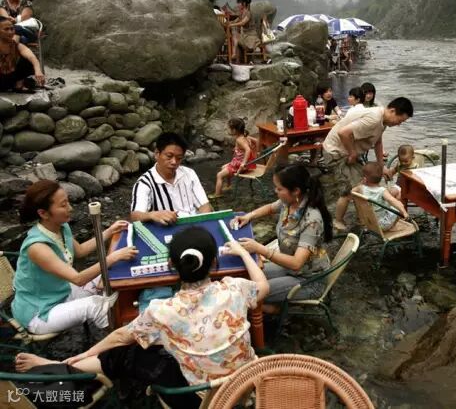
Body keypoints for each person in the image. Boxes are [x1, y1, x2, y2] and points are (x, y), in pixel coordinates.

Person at [15, 226, 269, 409]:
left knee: (127, 352)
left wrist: (86, 353)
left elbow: (119, 337)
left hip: (200, 400)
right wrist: (243, 253)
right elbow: (263, 285)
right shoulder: (235, 288)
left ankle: (62, 366)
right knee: (150, 343)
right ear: (214, 262)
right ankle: (63, 368)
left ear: (171, 265)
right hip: (246, 389)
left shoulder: (162, 311)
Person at [11, 180, 138, 335]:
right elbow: (78, 279)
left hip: (61, 292)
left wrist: (109, 231)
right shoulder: (37, 247)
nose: (70, 208)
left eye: (68, 202)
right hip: (40, 312)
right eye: (63, 205)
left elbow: (81, 251)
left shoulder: (61, 227)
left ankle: (127, 321)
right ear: (43, 213)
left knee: (113, 276)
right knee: (96, 305)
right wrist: (111, 258)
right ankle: (121, 341)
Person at [230, 164, 333, 308]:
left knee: (253, 291)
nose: (275, 191)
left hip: (309, 279)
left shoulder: (312, 220)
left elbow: (296, 263)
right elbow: (270, 208)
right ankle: (268, 307)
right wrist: (249, 216)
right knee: (246, 275)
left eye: (279, 189)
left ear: (296, 191)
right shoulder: (289, 202)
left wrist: (259, 249)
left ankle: (274, 310)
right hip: (289, 268)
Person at [322, 97, 414, 231]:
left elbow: (378, 142)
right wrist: (352, 153)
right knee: (349, 190)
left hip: (347, 151)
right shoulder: (374, 119)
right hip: (336, 151)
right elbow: (343, 133)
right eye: (400, 121)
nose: (399, 124)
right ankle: (338, 221)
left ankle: (363, 219)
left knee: (362, 186)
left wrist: (382, 166)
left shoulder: (382, 121)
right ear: (393, 111)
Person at [130, 132, 212, 225]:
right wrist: (152, 215)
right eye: (169, 156)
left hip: (195, 225)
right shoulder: (144, 183)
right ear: (157, 154)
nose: (174, 162)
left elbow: (204, 205)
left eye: (179, 158)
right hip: (166, 229)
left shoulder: (189, 174)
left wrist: (202, 223)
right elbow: (135, 216)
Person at [354, 162, 408, 231]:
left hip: (368, 221)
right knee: (397, 206)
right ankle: (392, 227)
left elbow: (352, 193)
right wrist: (404, 212)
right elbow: (392, 200)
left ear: (364, 179)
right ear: (381, 178)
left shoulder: (360, 188)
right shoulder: (382, 191)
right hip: (382, 225)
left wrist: (361, 184)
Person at [212, 118, 256, 198]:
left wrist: (243, 163)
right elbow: (256, 141)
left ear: (234, 130)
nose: (228, 130)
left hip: (241, 166)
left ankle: (217, 194)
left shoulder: (239, 140)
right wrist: (256, 151)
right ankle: (228, 185)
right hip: (246, 164)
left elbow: (248, 150)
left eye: (229, 128)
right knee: (223, 167)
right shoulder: (245, 136)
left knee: (219, 175)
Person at [0, 16, 43, 91]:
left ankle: (18, 85)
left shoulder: (17, 46)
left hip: (10, 80)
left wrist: (38, 71)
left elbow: (32, 58)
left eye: (12, 29)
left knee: (28, 61)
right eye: (6, 29)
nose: (10, 32)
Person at [226, 0, 260, 64]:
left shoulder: (248, 13)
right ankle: (237, 59)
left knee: (237, 38)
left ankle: (235, 55)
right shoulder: (241, 13)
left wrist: (232, 25)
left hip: (251, 35)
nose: (237, 5)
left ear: (243, 4)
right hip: (244, 35)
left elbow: (243, 23)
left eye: (239, 3)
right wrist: (228, 23)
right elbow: (236, 20)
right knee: (236, 38)